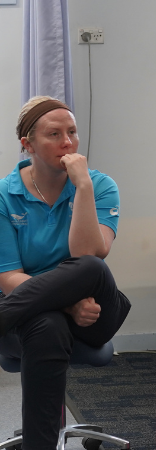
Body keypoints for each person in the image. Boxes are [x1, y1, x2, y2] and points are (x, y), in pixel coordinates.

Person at [0, 96, 131, 450]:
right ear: (27, 144)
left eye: (72, 132)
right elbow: (9, 276)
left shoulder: (100, 185)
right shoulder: (4, 195)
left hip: (93, 311)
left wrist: (83, 186)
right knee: (47, 327)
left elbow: (88, 254)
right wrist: (66, 305)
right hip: (34, 313)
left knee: (91, 267)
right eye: (54, 134)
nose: (67, 142)